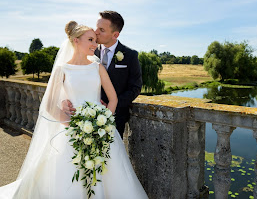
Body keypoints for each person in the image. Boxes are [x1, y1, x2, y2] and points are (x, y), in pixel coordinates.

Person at [0, 21, 148, 199]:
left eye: (95, 40)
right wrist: (70, 124)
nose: (95, 44)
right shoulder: (62, 70)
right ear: (76, 41)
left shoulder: (97, 67)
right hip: (72, 131)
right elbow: (48, 105)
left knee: (110, 173)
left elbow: (113, 98)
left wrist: (104, 122)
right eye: (91, 40)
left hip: (101, 131)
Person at [63, 10, 142, 138]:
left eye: (102, 30)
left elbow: (135, 87)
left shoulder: (130, 55)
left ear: (115, 35)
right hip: (81, 118)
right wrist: (64, 101)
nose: (96, 32)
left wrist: (112, 106)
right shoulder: (88, 51)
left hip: (115, 118)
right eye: (96, 27)